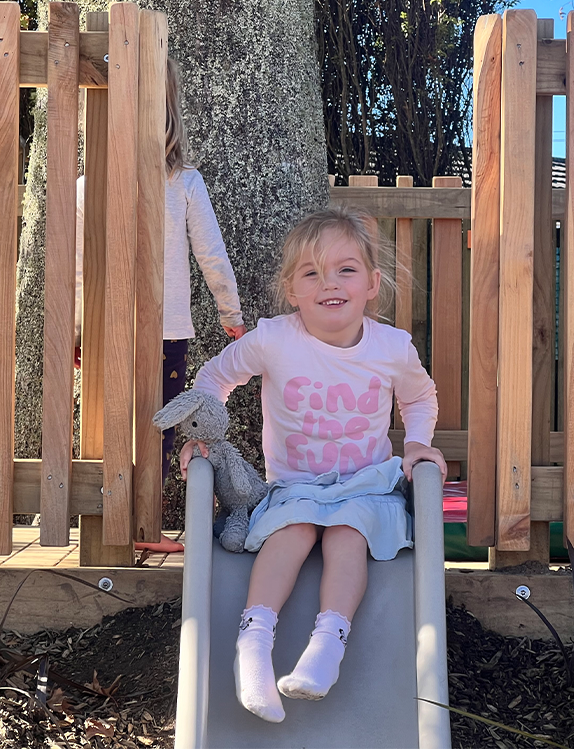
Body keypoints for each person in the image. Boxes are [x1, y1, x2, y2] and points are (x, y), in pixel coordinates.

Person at [179, 207, 446, 722]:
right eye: (311, 273)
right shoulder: (274, 339)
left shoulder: (392, 347)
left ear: (372, 284)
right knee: (292, 530)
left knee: (348, 534)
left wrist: (415, 445)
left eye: (345, 270)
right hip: (296, 484)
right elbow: (213, 379)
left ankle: (328, 645)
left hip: (366, 485)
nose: (330, 283)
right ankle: (253, 645)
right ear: (291, 289)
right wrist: (205, 433)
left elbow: (419, 398)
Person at [76, 58, 246, 552]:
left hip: (112, 330)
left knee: (114, 428)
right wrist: (230, 314)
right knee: (158, 428)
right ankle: (139, 527)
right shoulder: (183, 183)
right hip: (163, 330)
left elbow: (79, 265)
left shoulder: (93, 185)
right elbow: (211, 254)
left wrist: (82, 329)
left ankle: (126, 528)